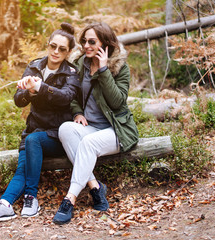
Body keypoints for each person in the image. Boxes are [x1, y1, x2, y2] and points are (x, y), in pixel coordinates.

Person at [0, 23, 80, 222]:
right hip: (34, 131)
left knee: (33, 140)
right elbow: (18, 100)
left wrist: (40, 87)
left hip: (57, 134)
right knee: (22, 169)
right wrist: (29, 91)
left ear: (68, 52)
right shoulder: (34, 66)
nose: (56, 51)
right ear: (48, 45)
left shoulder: (71, 72)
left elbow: (66, 98)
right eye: (53, 46)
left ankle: (30, 197)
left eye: (62, 49)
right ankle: (5, 204)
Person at [52, 22, 139, 225]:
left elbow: (118, 102)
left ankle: (69, 199)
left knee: (88, 143)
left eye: (92, 42)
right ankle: (95, 187)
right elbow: (73, 94)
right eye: (84, 41)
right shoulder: (81, 63)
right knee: (65, 129)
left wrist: (103, 70)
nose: (86, 45)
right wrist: (78, 112)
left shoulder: (120, 68)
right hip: (91, 127)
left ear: (106, 44)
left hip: (116, 130)